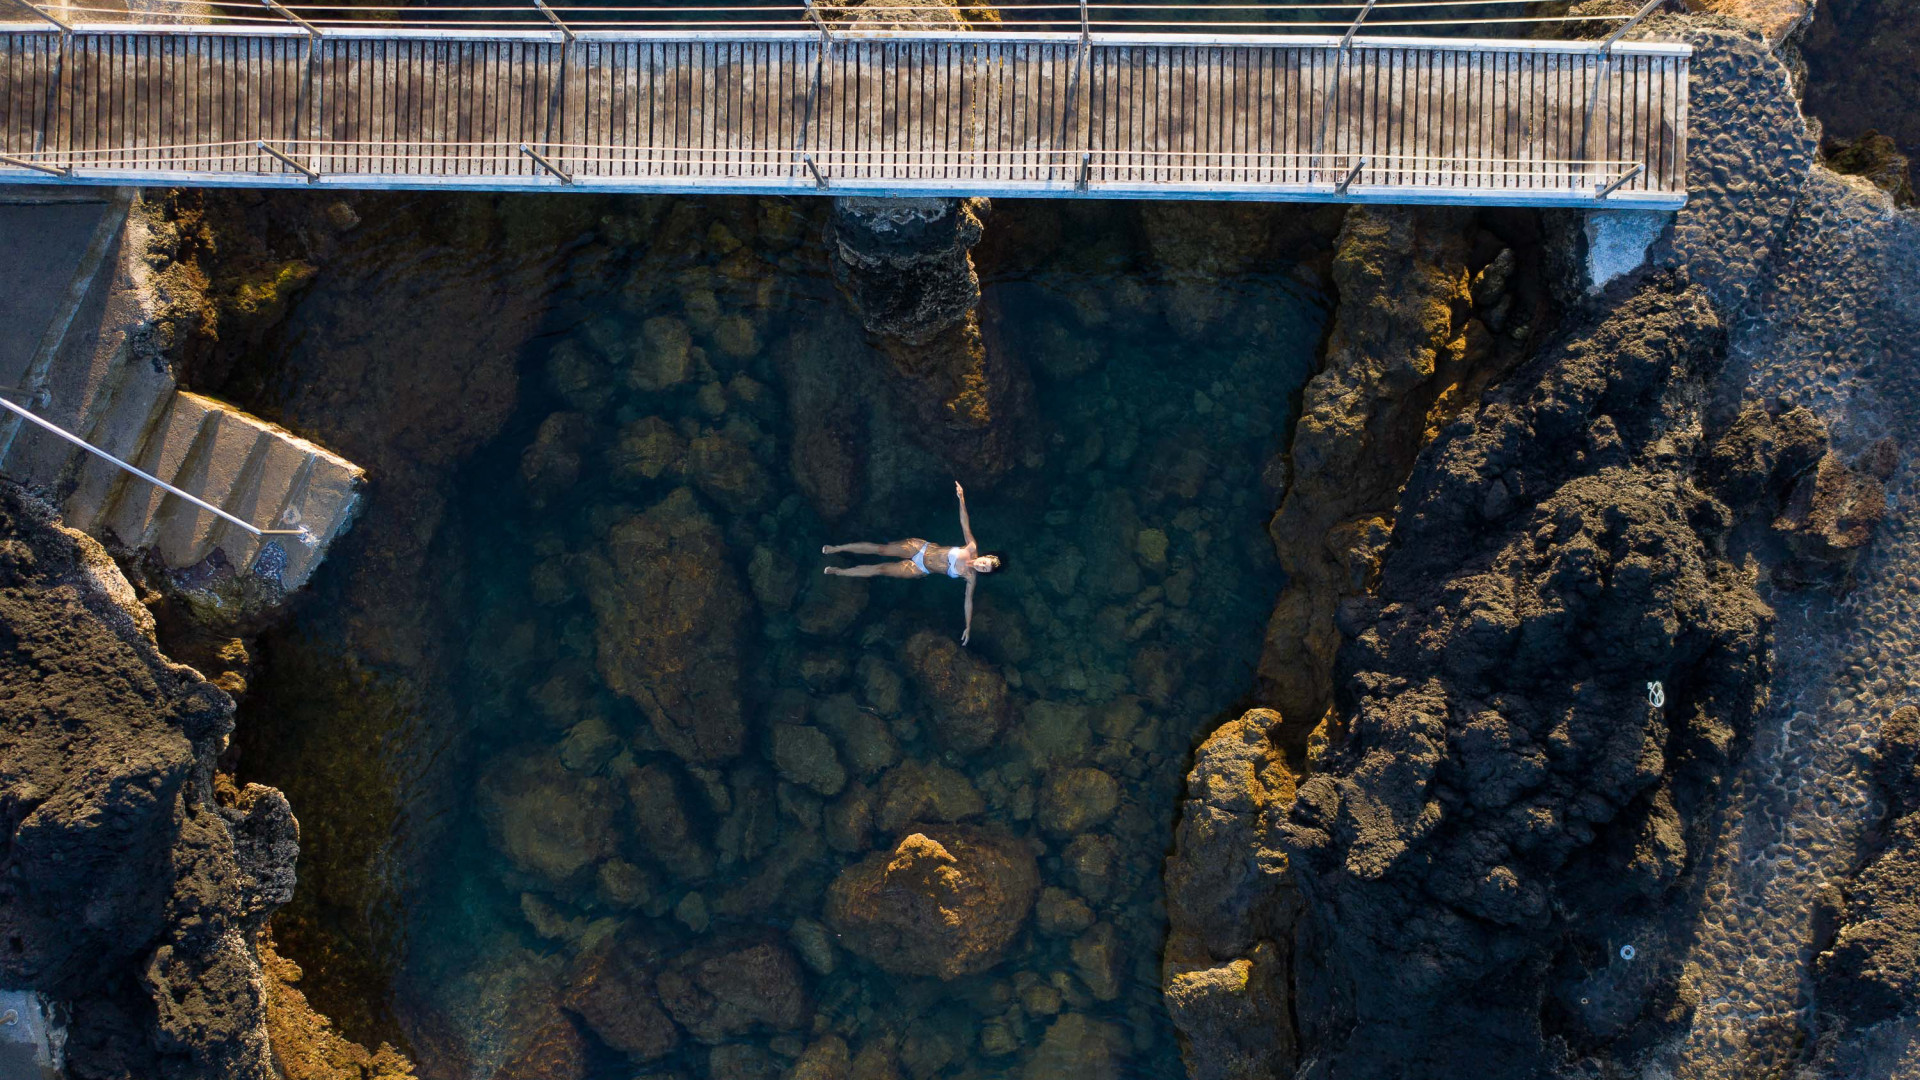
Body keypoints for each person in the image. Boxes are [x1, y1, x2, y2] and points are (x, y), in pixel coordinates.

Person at [822, 481, 1000, 645]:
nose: (981, 565)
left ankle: (839, 571)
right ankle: (837, 548)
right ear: (985, 556)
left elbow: (968, 602)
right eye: (984, 562)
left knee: (881, 569)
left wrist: (968, 626)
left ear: (984, 572)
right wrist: (961, 498)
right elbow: (964, 522)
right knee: (881, 549)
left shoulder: (970, 577)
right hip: (920, 548)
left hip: (920, 568)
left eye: (984, 569)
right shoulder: (971, 547)